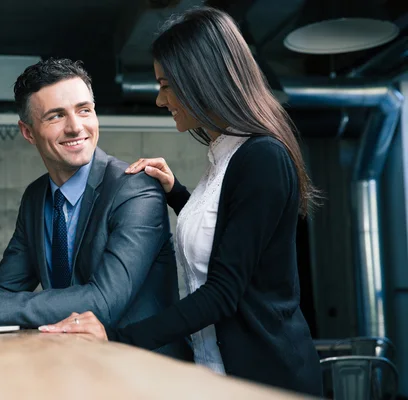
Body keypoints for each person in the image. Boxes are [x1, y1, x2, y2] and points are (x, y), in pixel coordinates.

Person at [39, 7, 323, 396]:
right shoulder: (225, 155)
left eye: (166, 85)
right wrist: (178, 193)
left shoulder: (262, 157)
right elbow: (227, 237)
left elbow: (222, 293)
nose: (159, 99)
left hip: (267, 380)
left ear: (201, 80)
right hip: (214, 373)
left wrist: (116, 336)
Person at [0, 58, 191, 361]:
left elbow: (103, 301)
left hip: (145, 369)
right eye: (56, 116)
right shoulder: (36, 197)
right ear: (28, 132)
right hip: (72, 361)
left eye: (84, 110)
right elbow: (6, 288)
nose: (76, 127)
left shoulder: (136, 189)